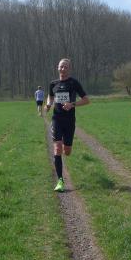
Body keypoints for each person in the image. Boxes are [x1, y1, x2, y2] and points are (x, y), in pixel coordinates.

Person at [46, 58, 90, 192]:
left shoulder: (73, 83)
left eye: (65, 67)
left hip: (69, 121)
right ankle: (60, 180)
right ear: (57, 68)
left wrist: (72, 104)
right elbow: (50, 96)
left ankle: (66, 145)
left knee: (67, 151)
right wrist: (48, 104)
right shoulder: (53, 83)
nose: (63, 69)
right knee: (57, 148)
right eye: (61, 66)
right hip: (57, 119)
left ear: (69, 69)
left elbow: (86, 100)